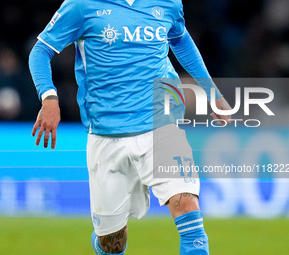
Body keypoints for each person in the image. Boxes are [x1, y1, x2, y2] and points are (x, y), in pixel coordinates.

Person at [29, 0, 232, 254]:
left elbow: (180, 39)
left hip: (161, 122)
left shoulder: (168, 2)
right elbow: (40, 51)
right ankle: (104, 237)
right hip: (107, 132)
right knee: (112, 244)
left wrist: (211, 90)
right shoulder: (81, 5)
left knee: (187, 207)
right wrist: (49, 98)